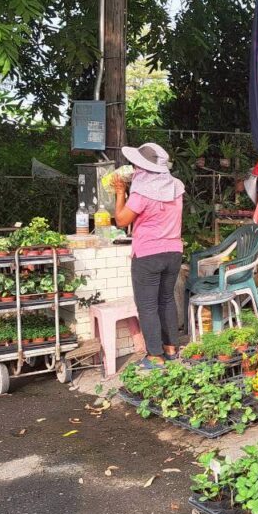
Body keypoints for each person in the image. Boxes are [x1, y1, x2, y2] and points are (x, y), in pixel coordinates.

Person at [112, 142, 185, 369]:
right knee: (166, 299)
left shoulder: (142, 192)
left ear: (142, 167)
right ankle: (171, 348)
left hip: (148, 255)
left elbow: (121, 220)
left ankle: (155, 355)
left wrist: (120, 192)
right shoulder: (176, 187)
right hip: (173, 252)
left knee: (147, 305)